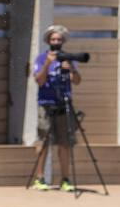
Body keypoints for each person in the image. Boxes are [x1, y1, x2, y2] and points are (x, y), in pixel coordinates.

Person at [30, 25, 82, 191]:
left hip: (64, 104)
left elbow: (77, 81)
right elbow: (38, 80)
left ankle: (65, 179)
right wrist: (47, 64)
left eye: (59, 40)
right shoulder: (41, 58)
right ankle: (40, 178)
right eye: (53, 40)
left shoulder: (68, 59)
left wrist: (71, 68)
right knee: (43, 141)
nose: (56, 42)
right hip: (46, 104)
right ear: (48, 41)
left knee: (65, 143)